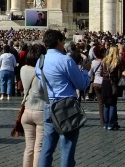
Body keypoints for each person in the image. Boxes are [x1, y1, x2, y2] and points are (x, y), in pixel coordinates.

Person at [36, 29, 90, 167]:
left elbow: (41, 82)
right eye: (63, 41)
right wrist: (85, 72)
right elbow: (81, 84)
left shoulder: (40, 61)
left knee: (47, 148)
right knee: (67, 148)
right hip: (66, 107)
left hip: (49, 105)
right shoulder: (66, 60)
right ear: (58, 42)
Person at [20, 43, 47, 167]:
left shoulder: (23, 69)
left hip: (26, 110)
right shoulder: (41, 72)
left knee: (29, 148)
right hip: (40, 111)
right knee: (38, 149)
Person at [101, 45, 122, 131]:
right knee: (113, 104)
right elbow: (119, 75)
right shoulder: (117, 61)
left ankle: (106, 123)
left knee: (106, 104)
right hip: (113, 83)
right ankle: (111, 123)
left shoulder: (104, 60)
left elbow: (101, 73)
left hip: (105, 83)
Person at [88, 45, 106, 128]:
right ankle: (108, 119)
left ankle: (102, 121)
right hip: (105, 82)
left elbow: (90, 74)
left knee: (100, 103)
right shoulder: (105, 62)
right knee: (107, 102)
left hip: (96, 83)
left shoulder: (93, 62)